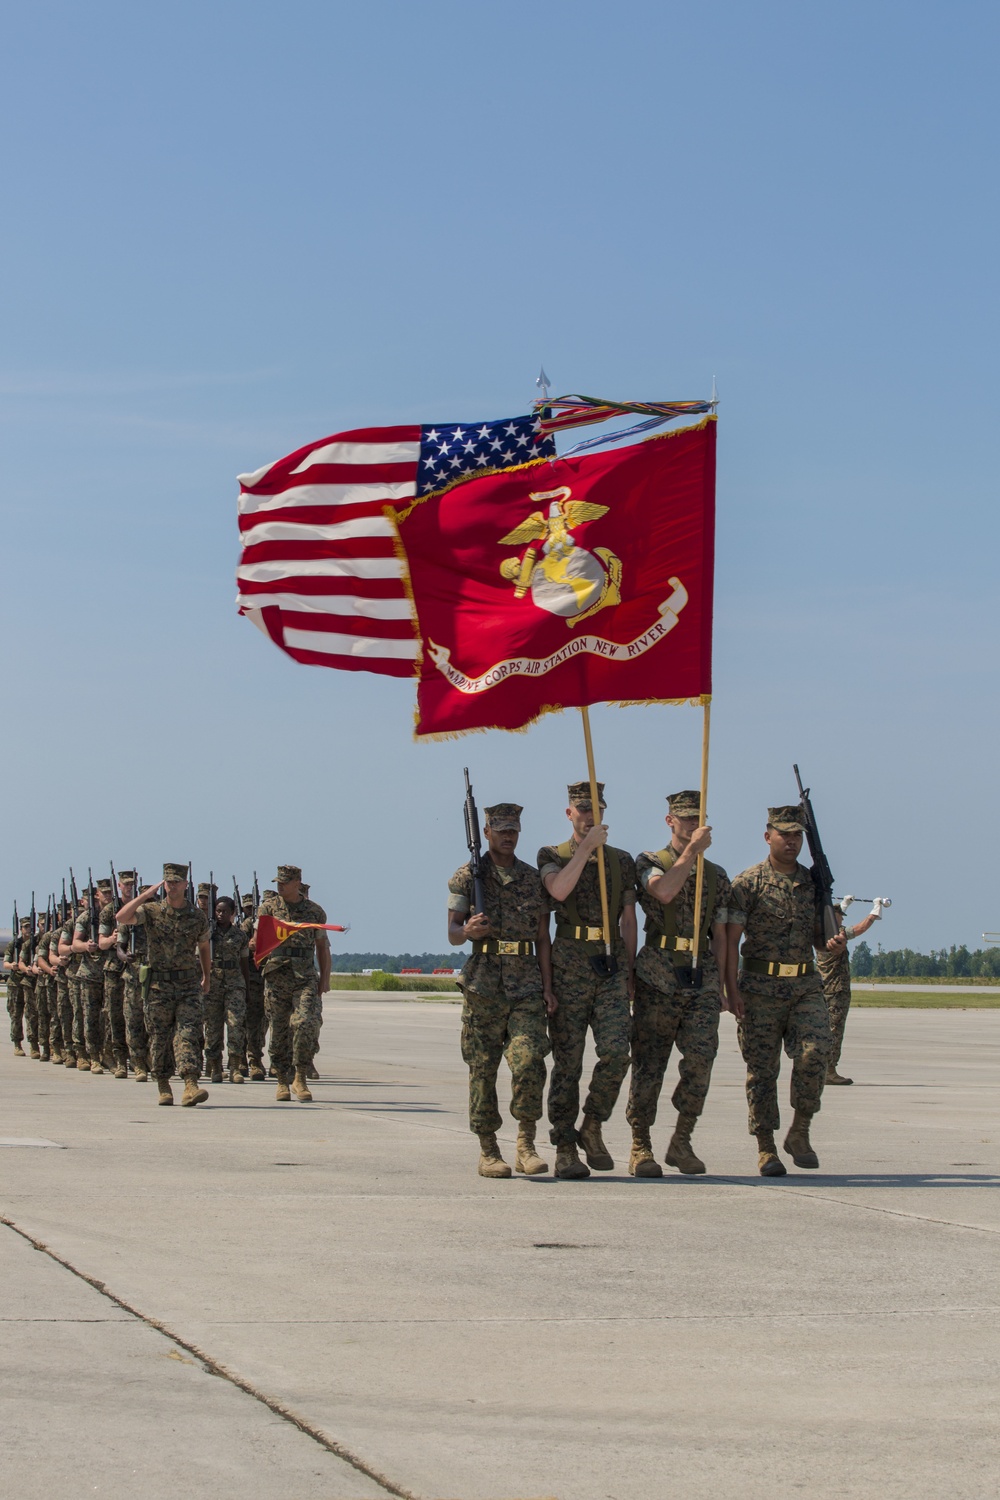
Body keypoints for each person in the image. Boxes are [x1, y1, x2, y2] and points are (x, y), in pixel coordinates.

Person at [626, 790, 740, 1178]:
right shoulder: (650, 862)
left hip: (702, 976)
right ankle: (640, 1144)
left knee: (702, 1061)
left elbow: (722, 935)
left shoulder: (718, 876)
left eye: (698, 819)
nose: (692, 824)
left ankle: (682, 1139)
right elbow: (664, 891)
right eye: (684, 818)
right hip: (658, 975)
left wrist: (726, 988)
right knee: (649, 1064)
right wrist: (691, 853)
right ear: (669, 821)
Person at [728, 806, 846, 1176]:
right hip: (760, 990)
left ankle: (800, 1130)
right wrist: (730, 988)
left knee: (816, 1054)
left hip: (805, 986)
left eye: (796, 835)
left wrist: (834, 940)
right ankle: (765, 1148)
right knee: (762, 1071)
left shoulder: (813, 883)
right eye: (784, 834)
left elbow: (820, 938)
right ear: (768, 837)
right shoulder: (748, 883)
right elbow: (730, 941)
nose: (791, 840)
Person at [448, 802, 555, 1178]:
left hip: (526, 982)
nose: (508, 837)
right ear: (488, 832)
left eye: (514, 830)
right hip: (484, 984)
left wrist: (548, 984)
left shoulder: (532, 878)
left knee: (529, 1063)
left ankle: (526, 1144)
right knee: (483, 1069)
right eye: (502, 830)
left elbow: (543, 936)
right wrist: (468, 932)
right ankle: (488, 1149)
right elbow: (452, 934)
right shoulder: (467, 876)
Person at [538, 781, 637, 1180]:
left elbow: (629, 919)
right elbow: (559, 891)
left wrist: (629, 970)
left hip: (611, 964)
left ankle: (592, 1124)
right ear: (569, 813)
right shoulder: (552, 854)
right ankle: (564, 1144)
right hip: (569, 964)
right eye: (582, 809)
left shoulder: (622, 860)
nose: (588, 816)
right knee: (568, 1061)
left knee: (617, 1052)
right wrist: (585, 849)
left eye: (596, 809)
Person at [116, 863, 211, 1107]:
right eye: (168, 881)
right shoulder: (151, 910)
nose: (172, 886)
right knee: (159, 1038)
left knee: (188, 1033)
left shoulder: (197, 916)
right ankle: (163, 1083)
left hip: (188, 984)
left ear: (185, 884)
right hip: (158, 987)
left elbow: (203, 948)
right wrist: (145, 895)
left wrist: (207, 977)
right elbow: (122, 917)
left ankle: (191, 1083)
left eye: (177, 881)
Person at [256, 867, 330, 1103]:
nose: (280, 886)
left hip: (305, 975)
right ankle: (281, 1081)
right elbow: (258, 940)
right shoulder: (268, 908)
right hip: (277, 974)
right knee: (278, 1030)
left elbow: (322, 947)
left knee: (306, 1022)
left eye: (285, 882)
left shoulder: (314, 912)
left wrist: (325, 978)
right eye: (278, 882)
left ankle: (300, 1076)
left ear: (298, 883)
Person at [817, 898, 887, 1085]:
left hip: (824, 991)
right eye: (841, 917)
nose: (842, 920)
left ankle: (822, 1069)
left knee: (823, 1032)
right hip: (836, 991)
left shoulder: (821, 933)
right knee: (834, 1032)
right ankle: (829, 1071)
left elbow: (836, 917)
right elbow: (859, 928)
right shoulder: (835, 936)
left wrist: (844, 905)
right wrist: (875, 912)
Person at [205, 896, 250, 1083]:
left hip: (234, 984)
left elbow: (244, 963)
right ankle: (215, 1066)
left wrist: (246, 988)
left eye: (224, 911)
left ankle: (235, 1067)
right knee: (213, 1027)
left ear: (232, 914)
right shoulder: (207, 933)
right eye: (218, 911)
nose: (220, 914)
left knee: (235, 1025)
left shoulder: (240, 936)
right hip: (213, 984)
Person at [73, 880, 112, 1074]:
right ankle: (93, 1056)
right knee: (90, 1017)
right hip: (90, 973)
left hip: (112, 973)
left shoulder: (118, 914)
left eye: (110, 892)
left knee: (110, 1016)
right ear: (97, 894)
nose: (108, 896)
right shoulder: (86, 918)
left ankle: (108, 1055)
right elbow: (74, 944)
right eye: (104, 892)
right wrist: (86, 947)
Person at [115, 871, 150, 1081]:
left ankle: (153, 1060)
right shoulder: (129, 921)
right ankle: (138, 1064)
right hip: (133, 976)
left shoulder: (158, 920)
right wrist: (124, 956)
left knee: (154, 1022)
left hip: (154, 976)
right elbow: (119, 945)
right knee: (133, 1021)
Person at [98, 880, 129, 1078]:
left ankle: (138, 1057)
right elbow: (102, 943)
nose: (129, 887)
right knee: (114, 1014)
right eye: (126, 884)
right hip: (115, 969)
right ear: (120, 885)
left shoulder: (139, 908)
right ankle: (116, 1057)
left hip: (135, 968)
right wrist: (113, 938)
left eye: (132, 883)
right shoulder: (109, 911)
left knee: (137, 1015)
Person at [240, 892, 268, 1081]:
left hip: (268, 977)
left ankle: (256, 1057)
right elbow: (242, 948)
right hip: (251, 978)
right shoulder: (247, 925)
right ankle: (248, 1058)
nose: (251, 911)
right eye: (248, 908)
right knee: (248, 1022)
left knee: (262, 1023)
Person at [4, 919, 27, 1056]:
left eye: (30, 926)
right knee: (16, 1014)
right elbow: (5, 963)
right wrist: (12, 966)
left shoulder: (34, 943)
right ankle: (17, 1043)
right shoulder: (14, 943)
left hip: (29, 981)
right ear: (20, 928)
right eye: (25, 927)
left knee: (33, 1014)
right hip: (15, 983)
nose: (28, 930)